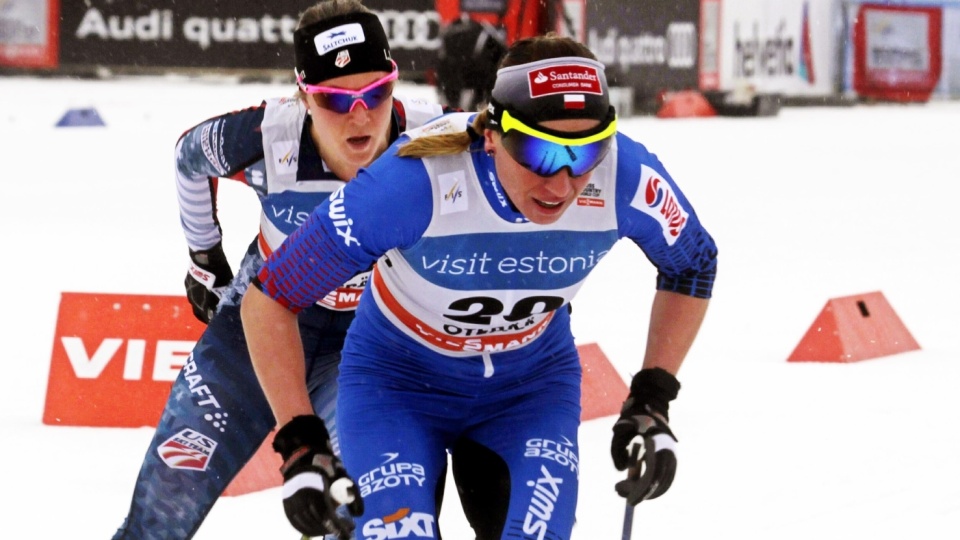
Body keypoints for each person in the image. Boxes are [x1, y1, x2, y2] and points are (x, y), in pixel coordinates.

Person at [242, 34, 718, 540]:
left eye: (585, 155)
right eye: (538, 151)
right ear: (493, 134)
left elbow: (693, 266)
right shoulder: (412, 183)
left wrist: (652, 396)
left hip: (528, 393)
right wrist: (300, 441)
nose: (561, 183)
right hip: (397, 388)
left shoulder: (626, 177)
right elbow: (270, 297)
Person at [111, 2, 455, 538]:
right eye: (335, 100)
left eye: (377, 92)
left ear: (395, 82)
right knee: (160, 516)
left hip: (368, 340)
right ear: (303, 96)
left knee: (375, 514)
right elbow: (187, 157)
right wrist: (205, 256)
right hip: (260, 326)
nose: (360, 115)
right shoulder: (269, 138)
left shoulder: (437, 139)